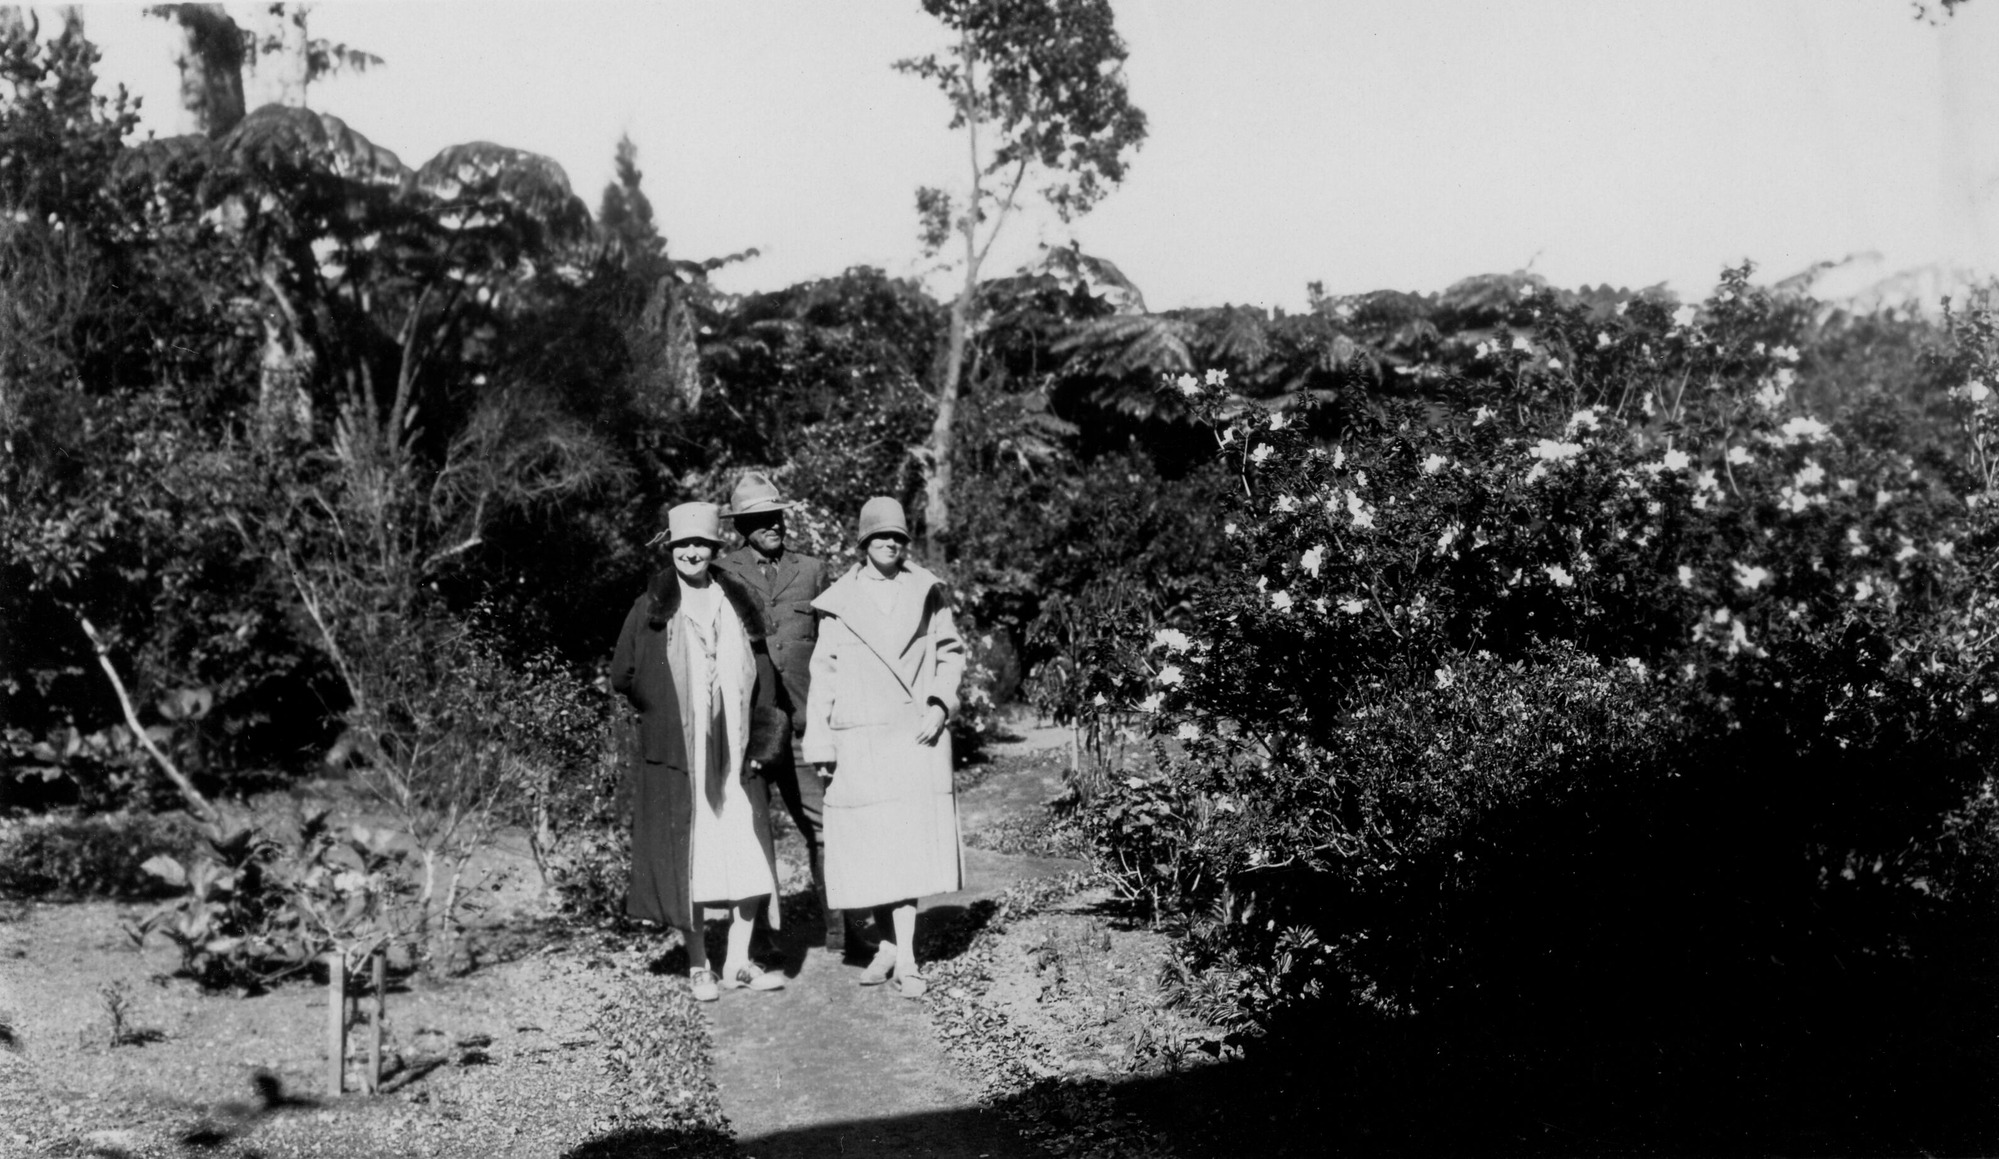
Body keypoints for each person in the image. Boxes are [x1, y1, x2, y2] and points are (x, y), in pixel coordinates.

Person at [610, 501, 790, 1001]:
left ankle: (737, 959)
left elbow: (765, 677)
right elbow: (622, 675)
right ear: (671, 549)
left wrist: (761, 739)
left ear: (715, 550)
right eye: (683, 544)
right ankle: (698, 965)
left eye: (702, 545)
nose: (692, 552)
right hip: (681, 755)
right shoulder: (652, 606)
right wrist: (666, 711)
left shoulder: (737, 602)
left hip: (734, 750)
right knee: (689, 851)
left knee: (747, 847)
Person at [802, 497, 966, 997]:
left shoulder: (927, 591)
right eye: (880, 537)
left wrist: (939, 706)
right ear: (864, 544)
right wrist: (821, 737)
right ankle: (889, 947)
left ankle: (909, 957)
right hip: (861, 737)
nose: (891, 544)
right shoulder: (839, 601)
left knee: (908, 847)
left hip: (913, 732)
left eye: (898, 537)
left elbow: (950, 654)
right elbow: (823, 674)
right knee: (874, 848)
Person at [709, 472, 851, 952]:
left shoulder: (812, 570)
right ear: (741, 527)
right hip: (749, 727)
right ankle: (761, 939)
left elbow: (837, 645)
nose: (772, 525)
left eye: (775, 516)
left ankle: (841, 927)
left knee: (824, 826)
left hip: (807, 725)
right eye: (759, 519)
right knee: (752, 830)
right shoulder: (721, 572)